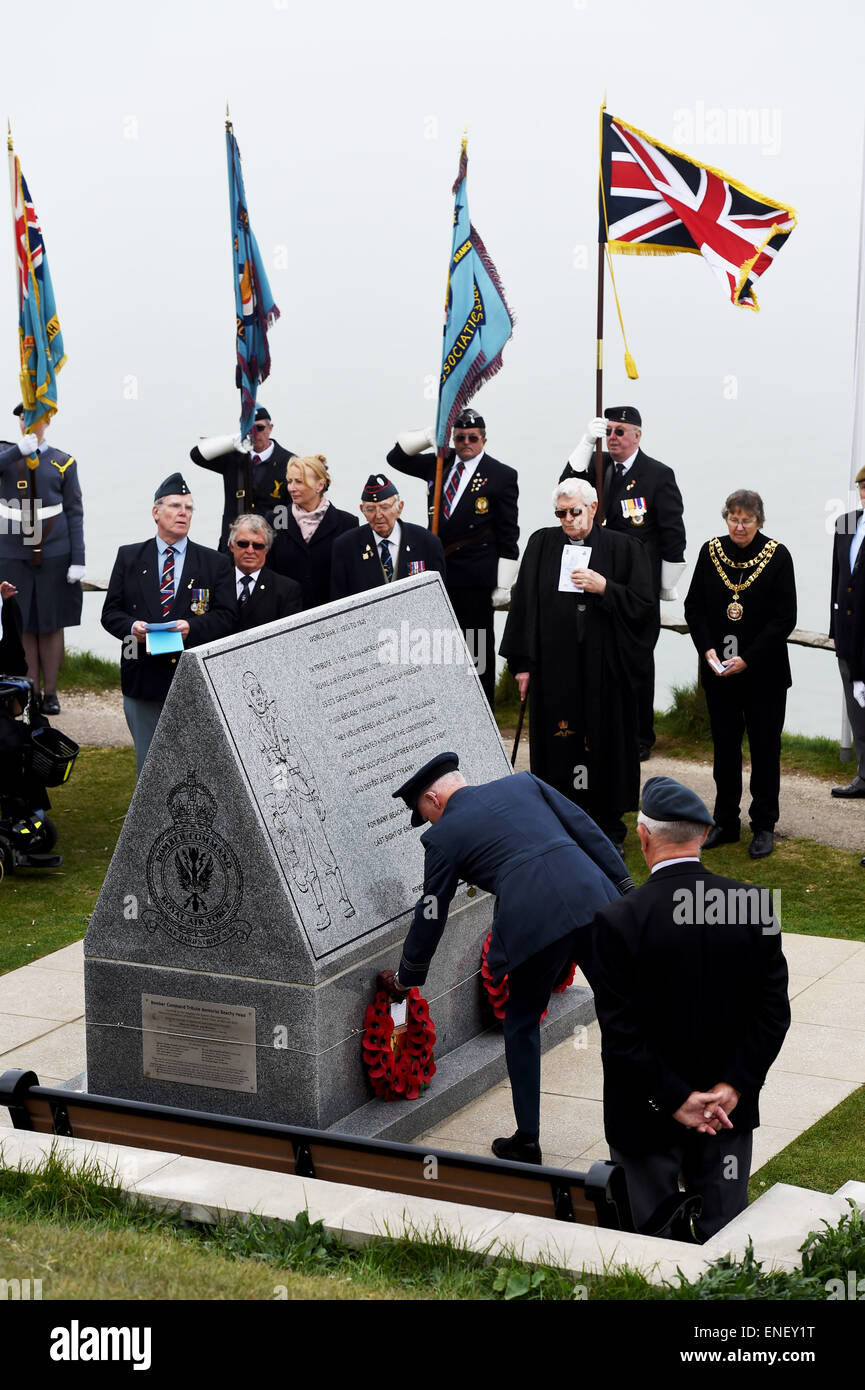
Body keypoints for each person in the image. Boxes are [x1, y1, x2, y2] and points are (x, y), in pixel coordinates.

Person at [378, 752, 633, 1165]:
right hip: (594, 901)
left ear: (433, 798)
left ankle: (528, 1140)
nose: (429, 824)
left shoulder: (442, 838)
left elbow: (431, 911)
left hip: (536, 924)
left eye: (424, 814)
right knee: (622, 1017)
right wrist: (624, 885)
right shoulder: (524, 783)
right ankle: (630, 1144)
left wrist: (408, 977)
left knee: (521, 1024)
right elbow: (584, 827)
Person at [591, 775, 790, 1242]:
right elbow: (773, 1014)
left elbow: (621, 1033)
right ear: (702, 835)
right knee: (726, 1243)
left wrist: (675, 1098)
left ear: (643, 836)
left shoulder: (617, 921)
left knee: (650, 1244)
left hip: (645, 1114)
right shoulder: (753, 905)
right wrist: (734, 1087)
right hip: (726, 1115)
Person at [500, 478, 655, 848]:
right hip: (556, 669)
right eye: (561, 513)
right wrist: (522, 664)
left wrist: (605, 588)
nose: (568, 520)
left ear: (593, 508)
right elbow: (524, 604)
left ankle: (608, 827)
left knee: (605, 744)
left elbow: (645, 608)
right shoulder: (542, 544)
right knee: (560, 745)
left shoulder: (624, 547)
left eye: (575, 512)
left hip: (605, 670)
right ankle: (559, 820)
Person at [560, 407, 686, 758]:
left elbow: (672, 532)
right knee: (595, 654)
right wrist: (586, 442)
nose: (612, 437)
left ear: (637, 435)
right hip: (592, 576)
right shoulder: (595, 465)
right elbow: (566, 489)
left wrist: (667, 580)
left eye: (620, 431)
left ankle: (639, 736)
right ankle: (599, 728)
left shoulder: (658, 475)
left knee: (636, 659)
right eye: (608, 431)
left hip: (635, 582)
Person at [684, 489, 796, 860]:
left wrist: (748, 658)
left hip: (763, 674)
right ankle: (725, 821)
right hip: (720, 673)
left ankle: (763, 825)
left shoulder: (777, 556)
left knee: (765, 750)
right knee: (725, 750)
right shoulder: (709, 551)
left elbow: (784, 618)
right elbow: (694, 608)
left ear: (759, 521)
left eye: (747, 520)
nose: (739, 526)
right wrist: (707, 648)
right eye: (733, 518)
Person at [101, 473, 236, 774]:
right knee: (149, 767)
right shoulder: (129, 557)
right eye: (175, 506)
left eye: (189, 508)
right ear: (156, 512)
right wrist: (133, 626)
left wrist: (192, 628)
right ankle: (148, 823)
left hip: (190, 678)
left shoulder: (214, 563)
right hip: (142, 676)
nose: (183, 513)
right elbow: (110, 614)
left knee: (194, 767)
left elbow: (227, 616)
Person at [386, 409, 519, 707]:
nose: (466, 442)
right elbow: (396, 459)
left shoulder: (501, 476)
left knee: (476, 651)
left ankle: (481, 711)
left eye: (473, 437)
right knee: (439, 648)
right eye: (460, 437)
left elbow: (509, 534)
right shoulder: (439, 464)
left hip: (475, 577)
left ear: (484, 439)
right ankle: (446, 709)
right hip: (439, 571)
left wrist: (503, 584)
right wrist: (426, 437)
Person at [0, 403, 85, 714]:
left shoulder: (63, 461)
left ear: (47, 420)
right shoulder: (6, 454)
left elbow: (74, 511)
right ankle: (29, 691)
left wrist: (79, 557)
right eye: (24, 416)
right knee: (21, 622)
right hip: (12, 551)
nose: (28, 421)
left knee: (50, 623)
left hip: (54, 552)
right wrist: (16, 452)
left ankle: (51, 693)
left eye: (34, 415)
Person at [189, 405, 296, 550]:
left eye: (259, 428)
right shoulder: (234, 457)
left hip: (268, 546)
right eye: (249, 429)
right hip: (234, 543)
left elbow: (291, 507)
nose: (254, 434)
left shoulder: (289, 462)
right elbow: (197, 455)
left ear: (270, 428)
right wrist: (232, 440)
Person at [330, 473, 446, 601]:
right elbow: (340, 600)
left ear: (399, 508)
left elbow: (438, 597)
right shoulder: (346, 546)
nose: (378, 515)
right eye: (370, 509)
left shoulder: (426, 542)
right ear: (362, 510)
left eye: (385, 507)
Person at [268, 454, 358, 610]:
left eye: (299, 482)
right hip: (285, 616)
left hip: (330, 615)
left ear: (320, 485)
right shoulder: (276, 518)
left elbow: (351, 576)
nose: (291, 488)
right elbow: (269, 571)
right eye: (290, 481)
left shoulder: (347, 523)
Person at [829, 463, 865, 809]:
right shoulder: (847, 522)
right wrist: (834, 632)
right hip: (848, 638)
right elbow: (838, 580)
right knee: (856, 711)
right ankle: (863, 775)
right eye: (864, 486)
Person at [228, 513, 302, 631]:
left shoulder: (286, 590)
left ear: (267, 549)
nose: (250, 550)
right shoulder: (216, 582)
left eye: (258, 546)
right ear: (231, 545)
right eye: (243, 544)